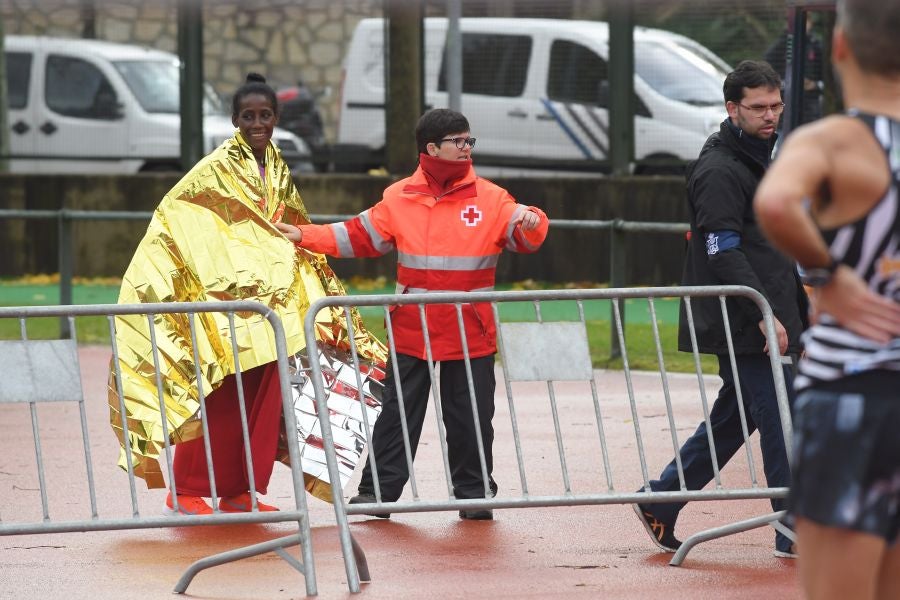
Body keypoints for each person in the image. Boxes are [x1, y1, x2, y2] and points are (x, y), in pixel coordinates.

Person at [108, 73, 384, 516]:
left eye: (266, 115)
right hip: (229, 308)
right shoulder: (215, 167)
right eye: (248, 115)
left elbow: (287, 227)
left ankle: (241, 489)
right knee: (219, 396)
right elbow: (180, 219)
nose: (258, 123)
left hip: (274, 308)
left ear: (276, 118)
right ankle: (186, 489)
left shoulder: (276, 164)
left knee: (263, 401)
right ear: (235, 119)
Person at [277, 108, 549, 520]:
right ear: (432, 148)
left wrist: (533, 221)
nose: (467, 148)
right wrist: (305, 235)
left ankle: (474, 495)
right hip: (414, 328)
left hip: (467, 331)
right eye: (459, 141)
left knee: (470, 418)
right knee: (397, 414)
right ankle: (377, 494)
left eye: (468, 140)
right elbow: (356, 235)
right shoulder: (398, 197)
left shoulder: (493, 198)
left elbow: (525, 234)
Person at [631, 61, 808, 557]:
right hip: (744, 319)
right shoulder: (719, 169)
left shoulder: (760, 158)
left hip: (768, 314)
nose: (770, 115)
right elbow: (722, 248)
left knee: (738, 417)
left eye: (775, 105)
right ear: (732, 109)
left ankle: (661, 500)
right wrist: (763, 312)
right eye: (758, 108)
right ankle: (792, 529)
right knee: (781, 417)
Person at [754, 0, 900, 596]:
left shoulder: (840, 139)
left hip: (852, 390)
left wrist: (829, 274)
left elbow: (776, 202)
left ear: (839, 47)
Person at [765, 15, 825, 124]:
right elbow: (768, 74)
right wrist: (789, 83)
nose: (802, 24)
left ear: (811, 23)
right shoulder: (779, 46)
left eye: (806, 21)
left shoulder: (817, 46)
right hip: (786, 108)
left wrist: (815, 85)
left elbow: (828, 78)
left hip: (811, 109)